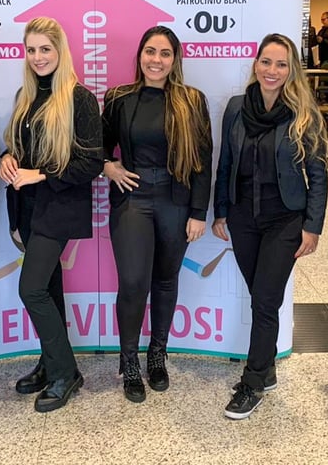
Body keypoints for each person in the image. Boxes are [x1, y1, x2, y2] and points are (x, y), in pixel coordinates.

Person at [212, 33, 328, 420]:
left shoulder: (304, 113)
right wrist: (221, 211)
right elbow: (225, 163)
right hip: (243, 218)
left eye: (281, 64)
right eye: (266, 62)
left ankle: (253, 382)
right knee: (260, 296)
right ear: (256, 64)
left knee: (265, 300)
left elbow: (318, 174)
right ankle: (267, 367)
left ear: (291, 70)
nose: (272, 70)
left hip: (285, 219)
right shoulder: (236, 108)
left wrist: (313, 226)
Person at [102, 26, 213, 403]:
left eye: (165, 53)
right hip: (132, 199)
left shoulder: (191, 100)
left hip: (175, 200)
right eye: (150, 51)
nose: (156, 60)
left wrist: (198, 212)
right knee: (133, 282)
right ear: (140, 55)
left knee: (165, 280)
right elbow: (98, 147)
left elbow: (202, 160)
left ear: (175, 59)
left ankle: (157, 354)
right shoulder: (118, 97)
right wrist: (108, 166)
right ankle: (129, 361)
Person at [0, 17, 102, 413]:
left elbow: (90, 163)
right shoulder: (26, 96)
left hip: (56, 208)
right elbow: (18, 148)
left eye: (45, 49)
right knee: (49, 288)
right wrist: (7, 159)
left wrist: (39, 173)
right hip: (27, 207)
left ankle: (65, 373)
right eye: (31, 49)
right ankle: (50, 362)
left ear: (60, 51)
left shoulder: (79, 98)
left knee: (31, 289)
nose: (38, 57)